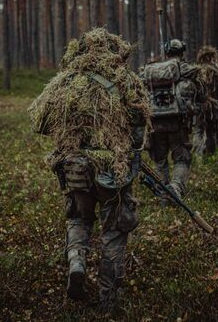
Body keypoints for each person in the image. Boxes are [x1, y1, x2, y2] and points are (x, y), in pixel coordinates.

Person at [28, 28, 150, 309]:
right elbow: (139, 129)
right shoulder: (125, 80)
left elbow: (40, 124)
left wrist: (70, 132)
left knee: (78, 220)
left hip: (75, 168)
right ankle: (108, 299)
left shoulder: (66, 83)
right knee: (114, 231)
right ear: (113, 50)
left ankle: (77, 265)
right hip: (112, 171)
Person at [143, 39, 202, 203]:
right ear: (181, 52)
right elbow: (200, 94)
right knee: (181, 158)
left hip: (155, 123)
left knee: (160, 160)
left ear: (167, 52)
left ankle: (163, 194)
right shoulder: (185, 70)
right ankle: (175, 188)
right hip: (178, 123)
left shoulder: (152, 71)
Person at [193, 46, 218, 156]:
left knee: (199, 131)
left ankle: (199, 157)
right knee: (213, 131)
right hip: (214, 108)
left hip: (201, 108)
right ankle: (213, 156)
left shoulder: (197, 71)